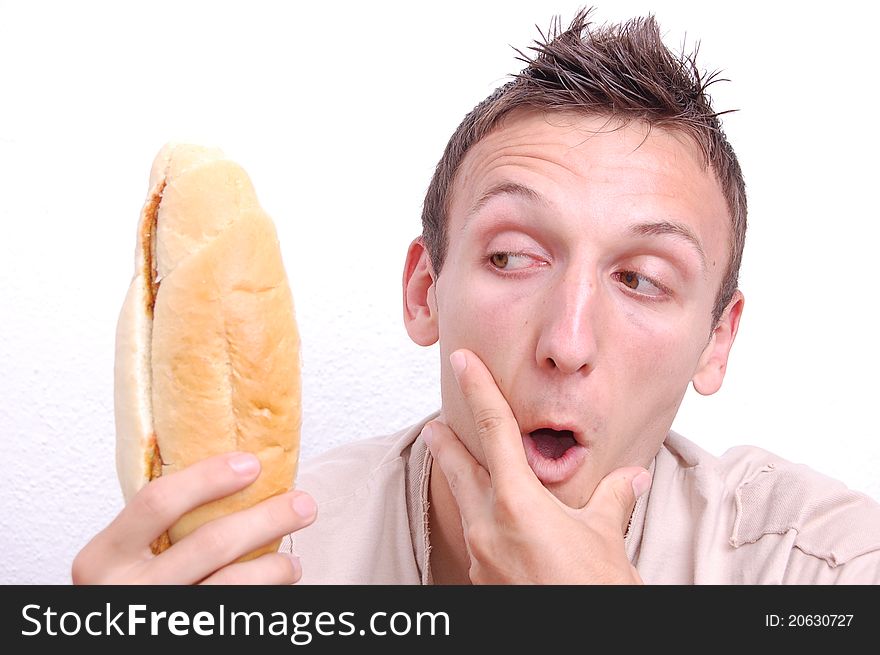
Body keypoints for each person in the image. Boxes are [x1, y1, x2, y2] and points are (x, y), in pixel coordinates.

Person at [73, 8, 880, 585]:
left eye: (640, 278)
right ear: (425, 291)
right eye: (515, 256)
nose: (568, 340)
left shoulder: (824, 566)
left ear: (716, 341)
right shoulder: (256, 570)